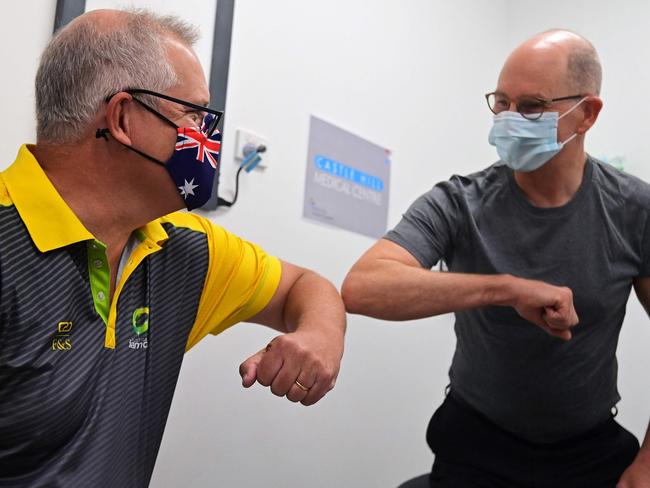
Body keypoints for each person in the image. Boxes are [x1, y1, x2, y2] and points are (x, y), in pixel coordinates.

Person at [0, 9, 345, 488]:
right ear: (123, 118)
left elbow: (305, 287)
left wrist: (321, 336)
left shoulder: (183, 247)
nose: (207, 135)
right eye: (193, 114)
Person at [343, 29, 650, 487]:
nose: (509, 119)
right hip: (475, 444)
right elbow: (364, 286)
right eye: (501, 103)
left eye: (531, 107)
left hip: (589, 453)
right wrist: (505, 289)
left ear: (586, 113)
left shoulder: (633, 210)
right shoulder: (459, 202)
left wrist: (646, 466)